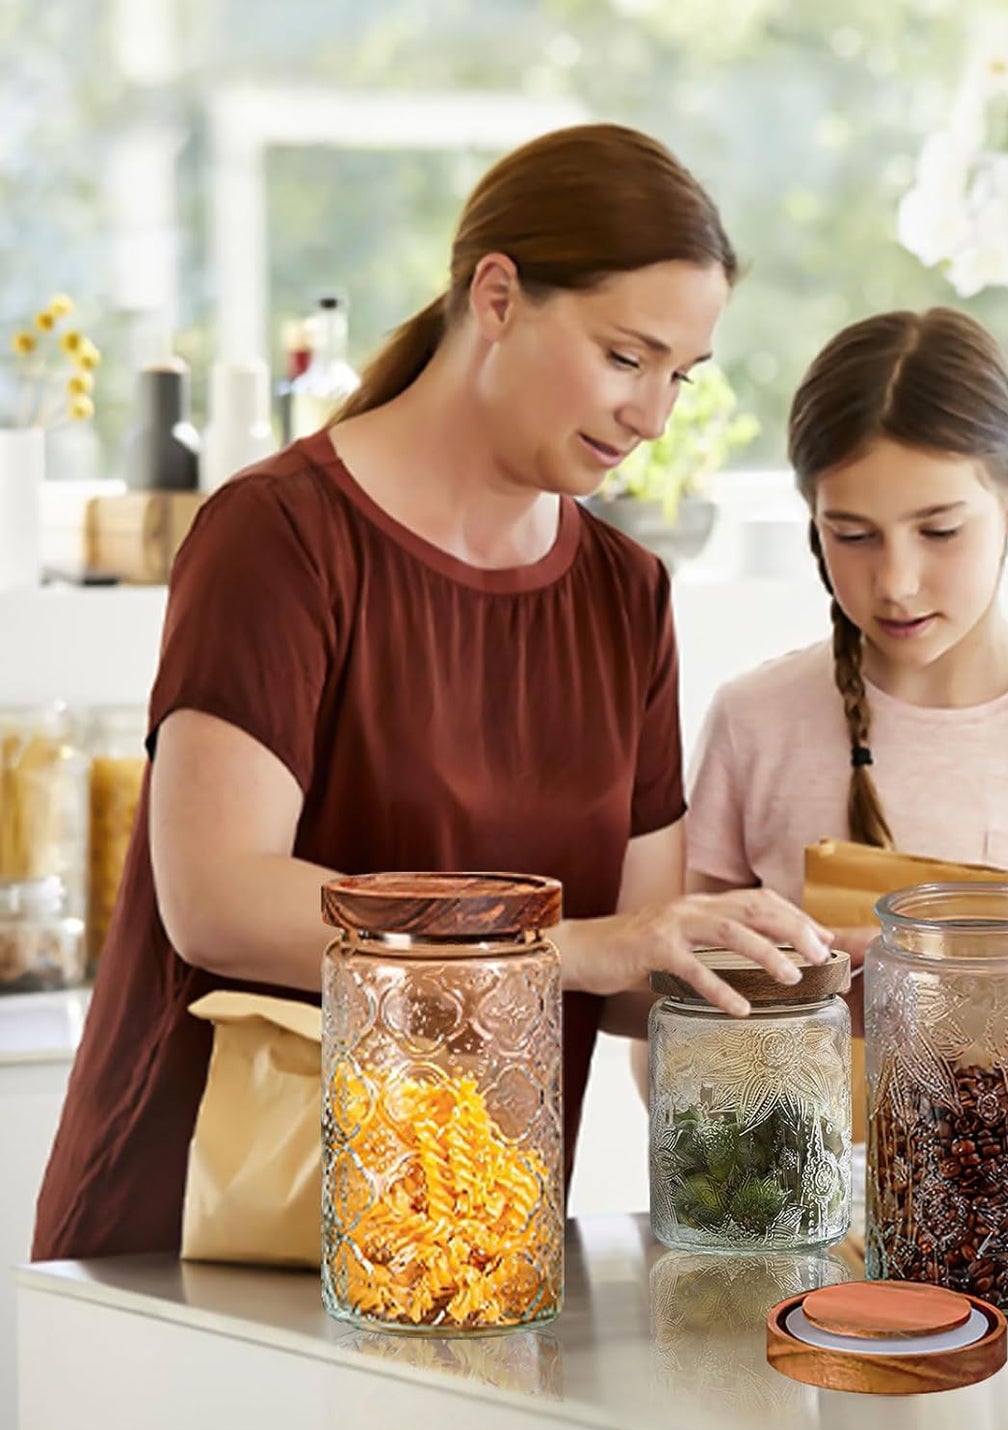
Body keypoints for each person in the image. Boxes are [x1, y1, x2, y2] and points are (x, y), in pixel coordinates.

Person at [33, 123, 833, 1262]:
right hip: (208, 1234)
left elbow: (627, 965)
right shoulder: (278, 537)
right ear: (496, 297)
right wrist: (568, 947)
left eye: (679, 375)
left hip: (466, 1245)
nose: (653, 416)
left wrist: (807, 966)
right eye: (625, 357)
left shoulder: (624, 593)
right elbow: (218, 898)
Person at [682, 307, 1008, 1140]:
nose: (895, 580)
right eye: (850, 534)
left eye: (938, 530)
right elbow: (674, 1022)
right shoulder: (753, 724)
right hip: (812, 1210)